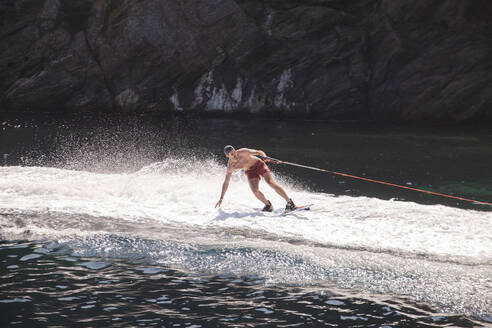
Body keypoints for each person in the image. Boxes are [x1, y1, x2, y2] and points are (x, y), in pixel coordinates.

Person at [215, 145, 296, 212]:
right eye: (232, 155)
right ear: (227, 156)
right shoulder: (230, 167)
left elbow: (259, 152)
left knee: (270, 182)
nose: (235, 155)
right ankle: (268, 205)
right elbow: (226, 182)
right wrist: (221, 198)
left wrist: (264, 157)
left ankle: (290, 203)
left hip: (259, 165)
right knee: (255, 191)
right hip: (250, 172)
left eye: (234, 152)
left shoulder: (243, 152)